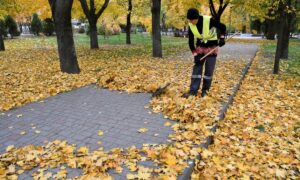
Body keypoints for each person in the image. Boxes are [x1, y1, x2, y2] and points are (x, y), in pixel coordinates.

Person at [183, 8, 226, 98]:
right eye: (189, 20)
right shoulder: (191, 25)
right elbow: (190, 42)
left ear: (197, 17)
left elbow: (223, 26)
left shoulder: (208, 20)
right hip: (200, 48)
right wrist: (195, 56)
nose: (191, 22)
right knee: (196, 70)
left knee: (209, 71)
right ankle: (193, 91)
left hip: (212, 48)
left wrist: (222, 38)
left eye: (192, 20)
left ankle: (205, 91)